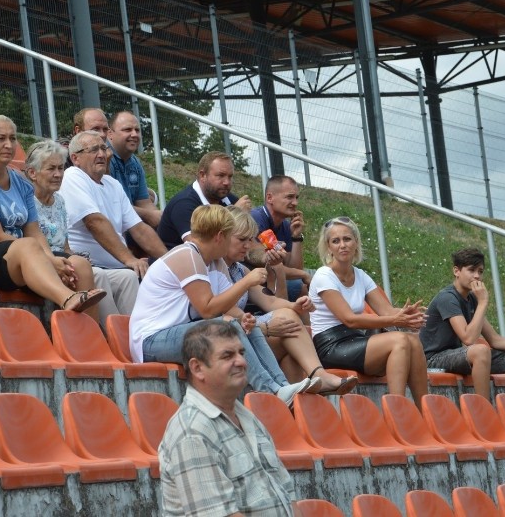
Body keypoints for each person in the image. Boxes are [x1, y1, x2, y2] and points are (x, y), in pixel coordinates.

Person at [130, 205, 316, 406]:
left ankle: (280, 386)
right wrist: (246, 282)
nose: (246, 245)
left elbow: (227, 307)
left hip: (176, 332)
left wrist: (246, 319)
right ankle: (269, 390)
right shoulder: (188, 255)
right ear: (220, 236)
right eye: (234, 238)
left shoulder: (210, 261)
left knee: (243, 324)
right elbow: (208, 309)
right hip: (151, 340)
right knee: (227, 327)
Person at [0, 115, 106, 314]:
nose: (9, 145)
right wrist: (49, 260)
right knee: (27, 246)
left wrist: (50, 257)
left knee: (78, 264)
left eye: (12, 138)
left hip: (13, 254)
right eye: (1, 139)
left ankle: (91, 337)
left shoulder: (21, 181)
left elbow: (34, 231)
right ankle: (68, 298)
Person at [159, 320, 300, 517]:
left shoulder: (247, 417)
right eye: (227, 356)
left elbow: (288, 494)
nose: (242, 362)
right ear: (197, 368)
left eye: (241, 353)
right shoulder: (192, 431)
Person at [226, 206, 357, 394]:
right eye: (242, 240)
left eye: (250, 240)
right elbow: (218, 312)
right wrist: (266, 328)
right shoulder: (213, 268)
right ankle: (302, 387)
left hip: (245, 334)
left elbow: (270, 302)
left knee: (291, 343)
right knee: (288, 325)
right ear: (222, 237)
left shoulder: (239, 269)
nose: (248, 245)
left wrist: (294, 305)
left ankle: (296, 401)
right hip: (227, 339)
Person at [309, 216, 428, 402]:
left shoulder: (361, 275)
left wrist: (408, 315)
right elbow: (349, 319)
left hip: (355, 340)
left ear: (356, 242)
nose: (342, 245)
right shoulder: (323, 275)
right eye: (336, 241)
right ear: (329, 247)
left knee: (413, 340)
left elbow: (387, 311)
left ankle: (425, 412)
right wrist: (396, 320)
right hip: (331, 345)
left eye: (347, 239)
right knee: (400, 340)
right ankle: (398, 411)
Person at [58, 130, 167, 316]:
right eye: (93, 150)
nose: (101, 154)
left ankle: (136, 337)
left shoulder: (112, 184)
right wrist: (129, 259)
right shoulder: (73, 175)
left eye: (103, 148)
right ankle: (107, 338)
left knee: (129, 276)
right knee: (102, 276)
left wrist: (169, 261)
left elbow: (139, 229)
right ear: (75, 158)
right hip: (88, 267)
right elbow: (95, 222)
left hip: (115, 267)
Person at [420, 247, 505, 400]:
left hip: (455, 356)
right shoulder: (447, 298)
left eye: (480, 271)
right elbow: (468, 339)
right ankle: (484, 410)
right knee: (481, 351)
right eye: (471, 270)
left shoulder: (472, 299)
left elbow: (495, 340)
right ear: (456, 271)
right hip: (432, 359)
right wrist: (483, 303)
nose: (477, 276)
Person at [23, 140, 101, 325]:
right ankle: (92, 334)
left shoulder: (59, 201)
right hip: (39, 260)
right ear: (32, 173)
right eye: (51, 169)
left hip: (63, 258)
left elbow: (66, 246)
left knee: (123, 276)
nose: (58, 174)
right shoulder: (25, 199)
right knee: (82, 268)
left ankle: (107, 334)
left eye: (60, 168)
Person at [158, 151, 251, 250]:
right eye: (220, 175)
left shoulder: (225, 197)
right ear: (202, 175)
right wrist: (235, 215)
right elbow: (199, 249)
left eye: (230, 176)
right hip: (180, 263)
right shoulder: (184, 204)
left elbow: (250, 242)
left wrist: (266, 257)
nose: (227, 182)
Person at [250, 175, 311, 301]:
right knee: (300, 287)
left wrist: (296, 237)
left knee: (300, 285)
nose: (295, 203)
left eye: (296, 198)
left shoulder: (286, 225)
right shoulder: (255, 219)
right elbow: (267, 264)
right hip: (252, 281)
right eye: (289, 197)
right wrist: (304, 274)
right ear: (270, 197)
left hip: (271, 279)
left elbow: (294, 269)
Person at [107, 110, 161, 227]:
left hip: (131, 225)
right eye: (127, 130)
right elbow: (112, 205)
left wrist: (161, 216)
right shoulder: (104, 160)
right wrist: (148, 215)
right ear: (110, 134)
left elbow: (143, 201)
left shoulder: (135, 162)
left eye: (137, 130)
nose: (134, 134)